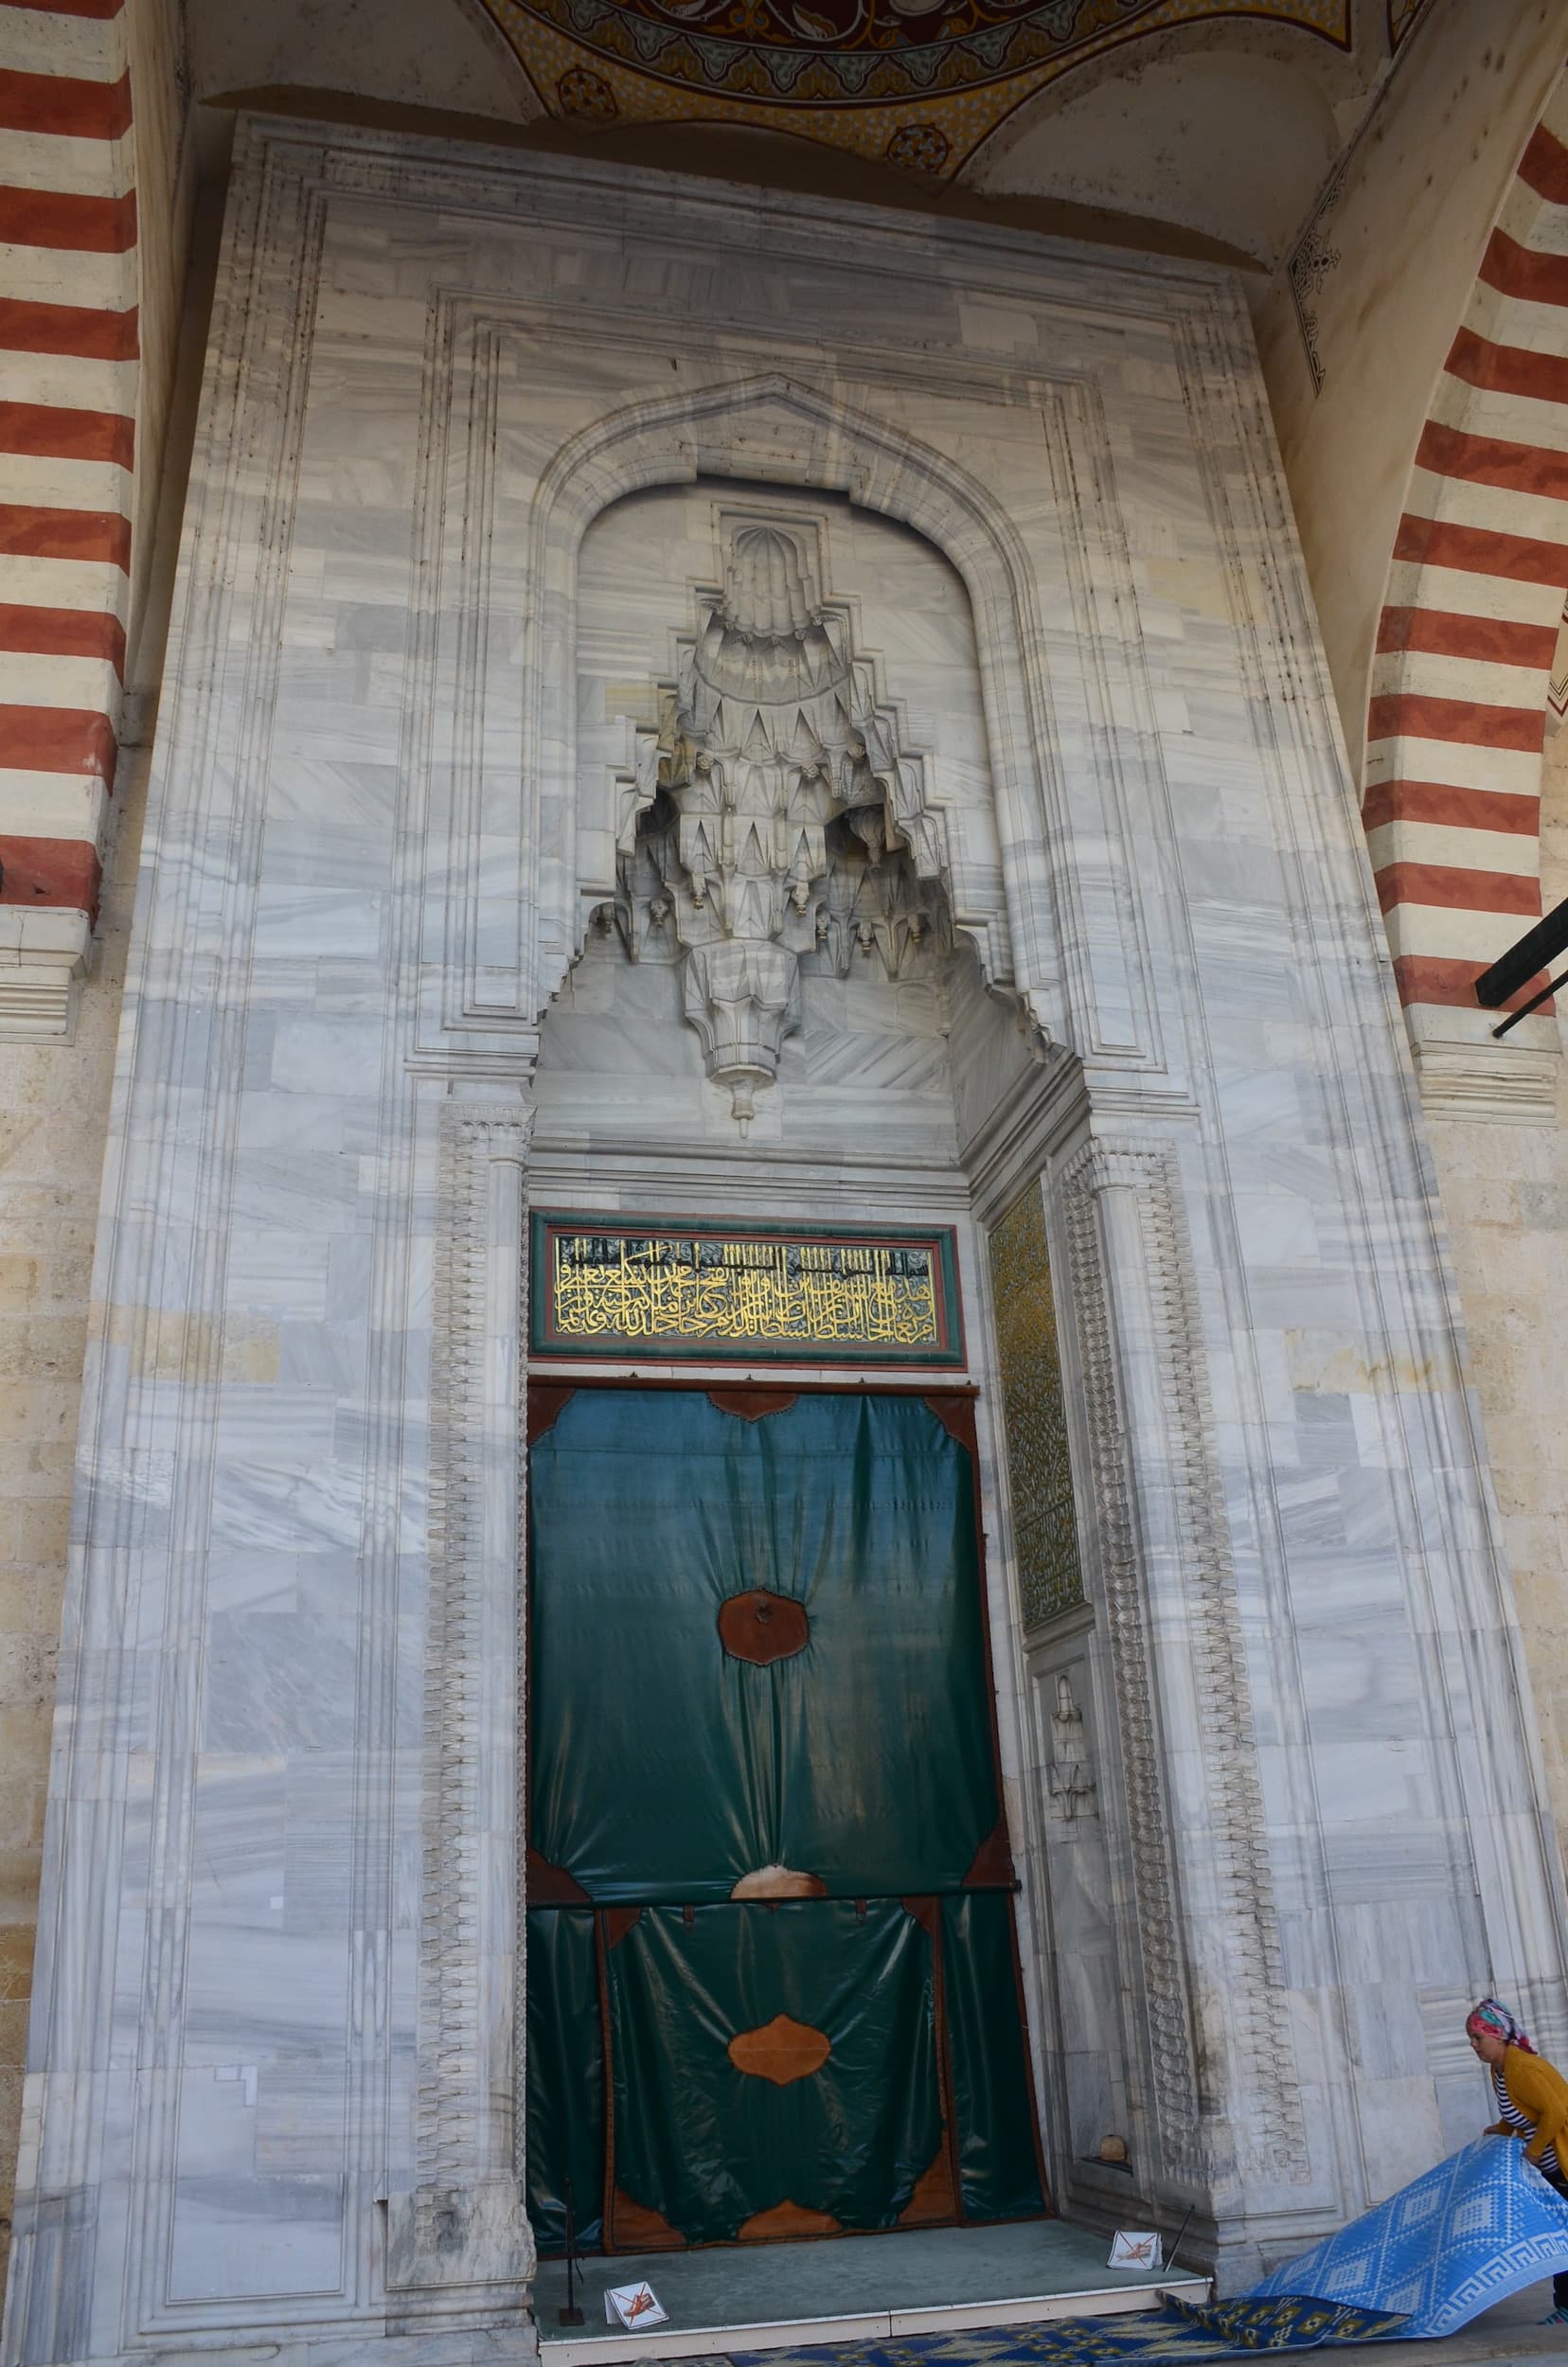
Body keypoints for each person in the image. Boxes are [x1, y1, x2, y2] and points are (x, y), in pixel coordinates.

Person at [1468, 1998, 1568, 2323]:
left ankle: (1566, 2307)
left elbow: (1555, 2113)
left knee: (1563, 2236)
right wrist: (1501, 2129)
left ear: (1497, 2036)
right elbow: (1521, 2110)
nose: (1474, 2045)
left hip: (1563, 2164)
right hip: (1553, 2170)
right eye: (1471, 2038)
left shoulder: (1521, 2067)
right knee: (1560, 2235)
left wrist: (1534, 2150)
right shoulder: (1501, 2069)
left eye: (1478, 2038)